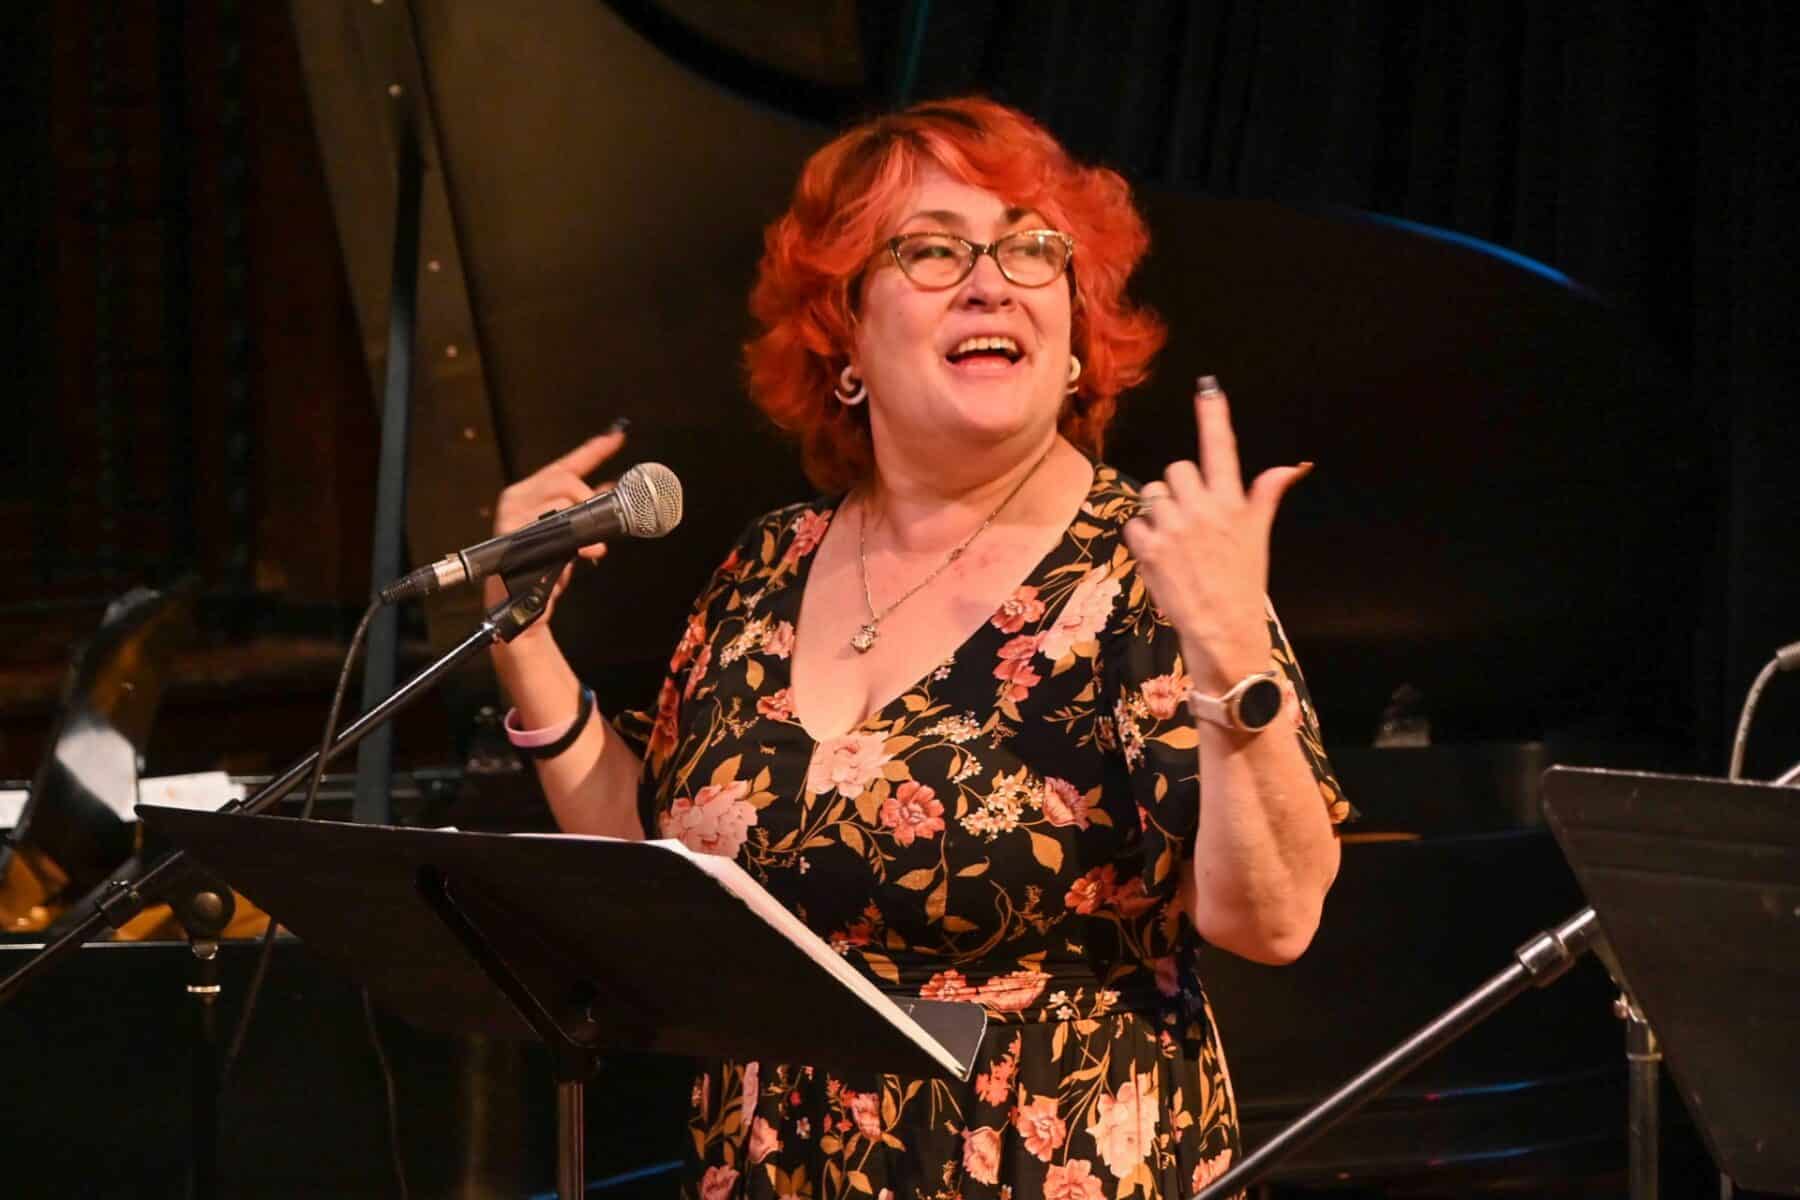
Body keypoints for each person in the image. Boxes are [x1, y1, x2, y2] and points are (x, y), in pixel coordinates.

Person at [489, 97, 1349, 1200]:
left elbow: (1273, 922)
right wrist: (525, 638)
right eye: (935, 250)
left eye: (1034, 250)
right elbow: (662, 868)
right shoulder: (767, 566)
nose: (991, 280)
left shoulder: (1148, 568)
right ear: (842, 326)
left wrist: (1234, 652)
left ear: (1078, 332)